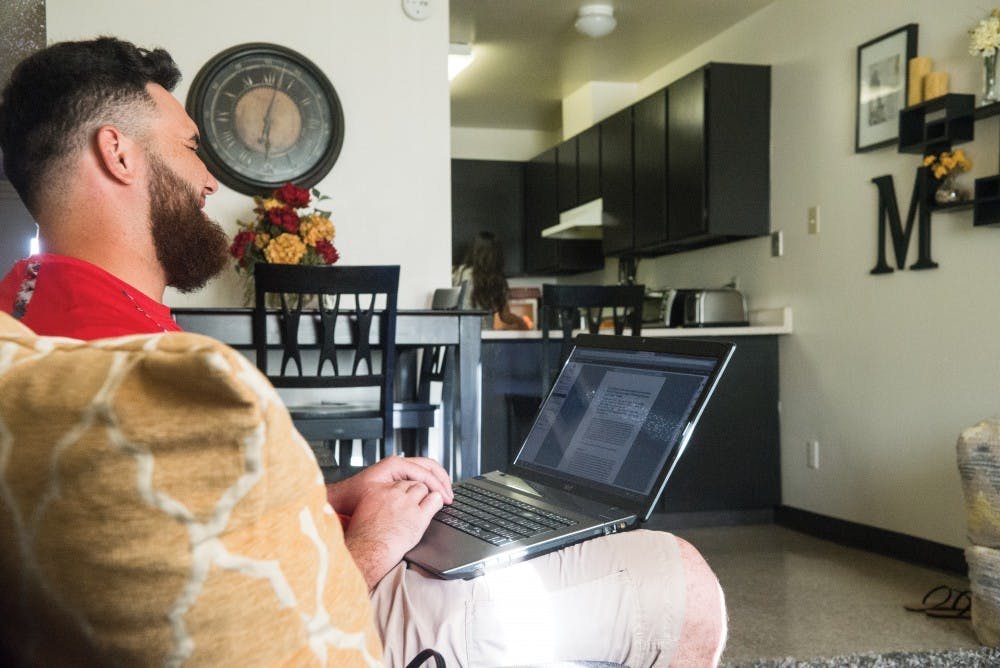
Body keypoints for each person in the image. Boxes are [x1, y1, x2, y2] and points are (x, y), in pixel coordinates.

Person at [0, 37, 727, 667]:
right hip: (347, 597)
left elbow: (166, 527)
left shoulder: (33, 308)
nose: (209, 179)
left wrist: (324, 495)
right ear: (118, 153)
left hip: (330, 546)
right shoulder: (132, 366)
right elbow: (240, 632)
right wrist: (375, 541)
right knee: (684, 578)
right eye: (191, 147)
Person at [453, 231, 532, 330]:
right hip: (485, 337)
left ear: (474, 251)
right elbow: (505, 316)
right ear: (497, 255)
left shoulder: (459, 272)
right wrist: (521, 321)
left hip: (460, 334)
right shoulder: (497, 280)